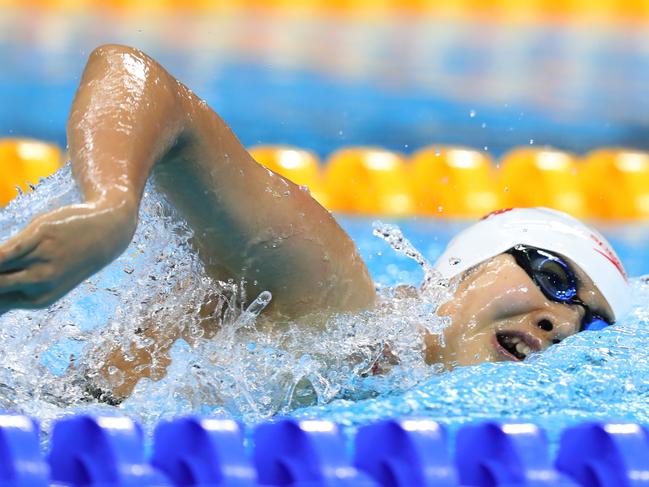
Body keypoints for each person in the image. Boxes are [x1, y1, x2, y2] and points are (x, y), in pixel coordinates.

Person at [0, 45, 631, 401]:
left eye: (591, 323)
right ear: (469, 263)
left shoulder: (388, 382)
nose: (562, 320)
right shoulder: (334, 299)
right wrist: (110, 204)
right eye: (552, 276)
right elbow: (138, 78)